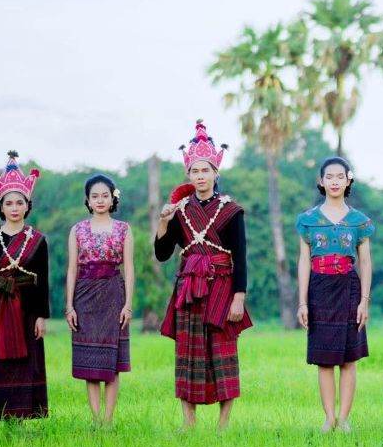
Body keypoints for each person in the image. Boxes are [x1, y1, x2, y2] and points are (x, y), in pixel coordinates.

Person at [155, 119, 251, 430]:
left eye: (205, 170)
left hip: (222, 287)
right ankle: (189, 422)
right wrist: (163, 224)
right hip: (189, 290)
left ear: (215, 173)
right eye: (195, 171)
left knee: (223, 353)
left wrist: (239, 297)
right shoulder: (179, 210)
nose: (200, 176)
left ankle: (224, 423)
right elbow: (162, 254)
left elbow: (241, 256)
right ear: (188, 174)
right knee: (188, 354)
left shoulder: (231, 210)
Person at [296, 157, 374, 433]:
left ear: (348, 180)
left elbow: (364, 263)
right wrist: (302, 302)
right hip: (319, 287)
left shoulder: (359, 221)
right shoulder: (308, 220)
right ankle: (328, 417)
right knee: (324, 358)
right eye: (329, 177)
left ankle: (344, 419)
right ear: (321, 181)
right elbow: (304, 261)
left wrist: (364, 301)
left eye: (340, 177)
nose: (334, 182)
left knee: (349, 359)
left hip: (349, 288)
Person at [0, 152, 50, 422]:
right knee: (3, 363)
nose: (15, 207)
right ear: (1, 206)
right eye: (9, 203)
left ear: (27, 205)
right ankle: (6, 418)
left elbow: (42, 279)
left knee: (29, 363)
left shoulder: (39, 240)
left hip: (29, 310)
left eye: (20, 202)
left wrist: (42, 316)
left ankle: (28, 416)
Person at [66, 174, 134, 424]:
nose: (100, 200)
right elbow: (72, 269)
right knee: (90, 363)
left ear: (112, 197)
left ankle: (108, 419)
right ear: (88, 200)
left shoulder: (124, 229)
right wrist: (69, 305)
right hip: (84, 296)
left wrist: (128, 303)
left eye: (105, 195)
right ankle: (96, 419)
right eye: (95, 196)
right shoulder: (78, 230)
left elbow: (129, 269)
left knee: (112, 363)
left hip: (114, 295)